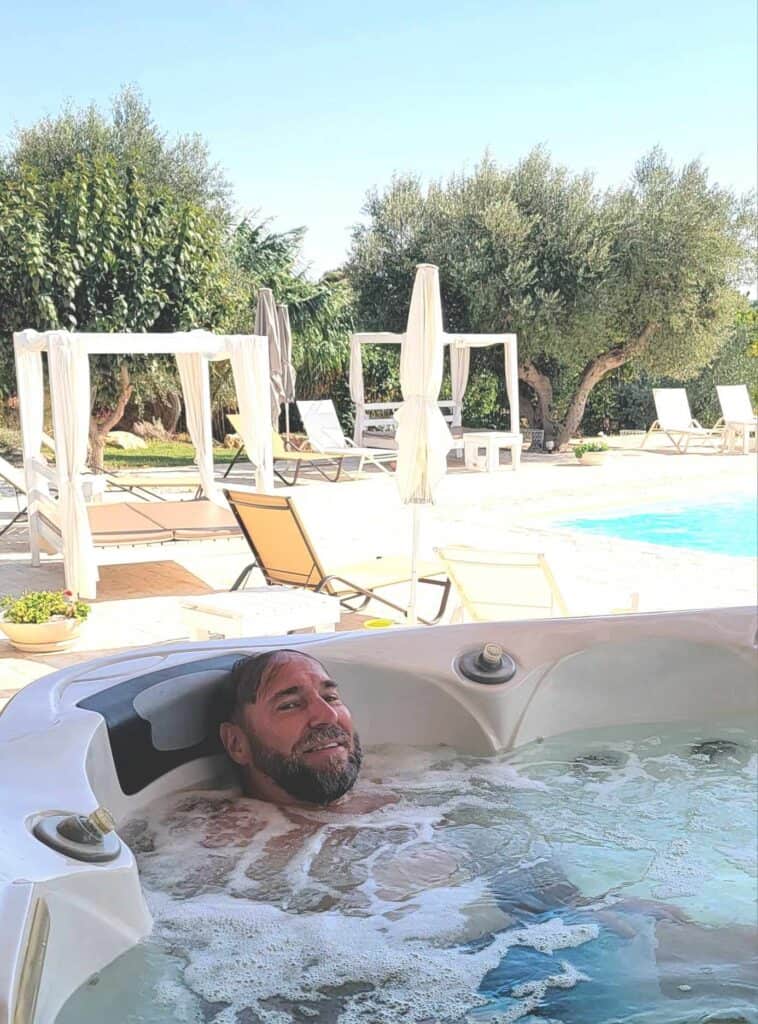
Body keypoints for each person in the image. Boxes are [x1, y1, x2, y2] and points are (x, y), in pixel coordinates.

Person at [216, 649, 363, 806]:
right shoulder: (223, 829)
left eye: (330, 697)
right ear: (236, 744)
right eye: (290, 705)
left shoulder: (384, 794)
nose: (328, 716)